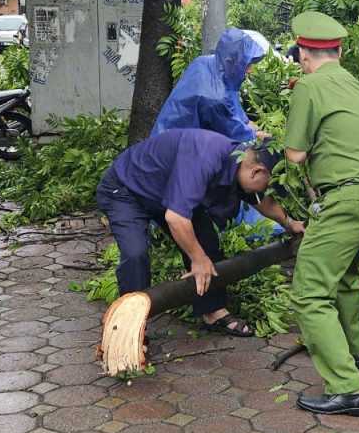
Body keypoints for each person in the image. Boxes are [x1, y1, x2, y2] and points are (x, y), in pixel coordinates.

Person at [283, 11, 359, 417]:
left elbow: (295, 153)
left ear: (302, 56)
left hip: (349, 200)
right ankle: (354, 352)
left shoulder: (309, 86)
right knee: (345, 274)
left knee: (309, 291)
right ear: (340, 51)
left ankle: (348, 388)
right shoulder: (356, 85)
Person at [96, 129, 305, 335]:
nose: (263, 190)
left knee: (206, 242)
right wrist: (198, 259)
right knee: (135, 254)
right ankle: (128, 329)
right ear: (256, 171)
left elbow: (261, 200)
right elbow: (176, 218)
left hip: (165, 191)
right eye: (266, 185)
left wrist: (289, 224)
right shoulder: (205, 159)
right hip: (126, 190)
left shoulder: (239, 163)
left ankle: (212, 311)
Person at [152, 28, 267, 143]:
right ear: (230, 62)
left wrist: (245, 122)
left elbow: (231, 98)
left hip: (165, 135)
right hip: (172, 147)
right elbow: (232, 132)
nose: (250, 70)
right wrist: (254, 135)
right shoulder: (215, 98)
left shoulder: (205, 62)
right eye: (246, 65)